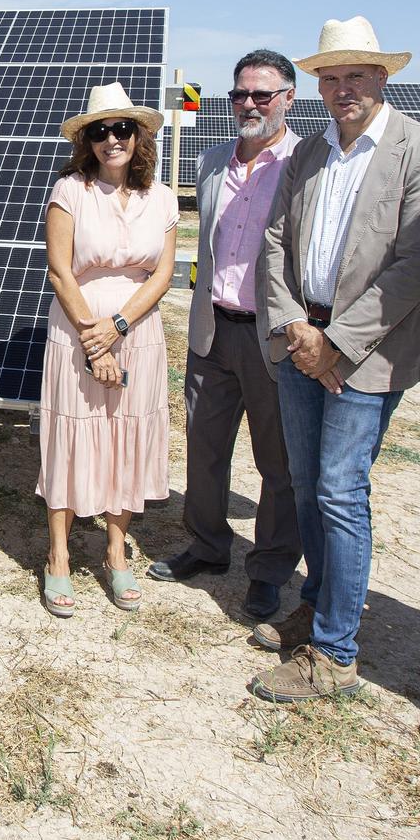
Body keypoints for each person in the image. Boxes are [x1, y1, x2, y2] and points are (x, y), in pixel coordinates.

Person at [248, 16, 420, 702]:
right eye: (330, 77)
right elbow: (276, 243)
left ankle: (335, 652)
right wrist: (292, 326)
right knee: (306, 481)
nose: (342, 89)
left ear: (382, 77)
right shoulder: (309, 153)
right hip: (298, 339)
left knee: (340, 489)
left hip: (368, 353)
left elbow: (415, 265)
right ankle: (318, 602)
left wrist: (336, 340)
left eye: (355, 76)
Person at [150, 50, 303, 621]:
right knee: (205, 450)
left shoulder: (304, 163)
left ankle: (268, 569)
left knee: (278, 463)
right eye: (240, 94)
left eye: (263, 94)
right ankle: (209, 545)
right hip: (212, 329)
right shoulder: (212, 162)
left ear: (289, 97)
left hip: (273, 337)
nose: (249, 104)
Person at [35, 84, 177, 617]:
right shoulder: (69, 190)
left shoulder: (160, 197)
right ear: (87, 142)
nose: (111, 140)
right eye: (99, 132)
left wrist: (119, 326)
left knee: (126, 438)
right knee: (72, 436)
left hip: (138, 328)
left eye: (121, 129)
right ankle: (59, 556)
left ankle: (117, 551)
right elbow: (60, 270)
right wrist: (96, 340)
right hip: (78, 327)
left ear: (138, 136)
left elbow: (162, 273)